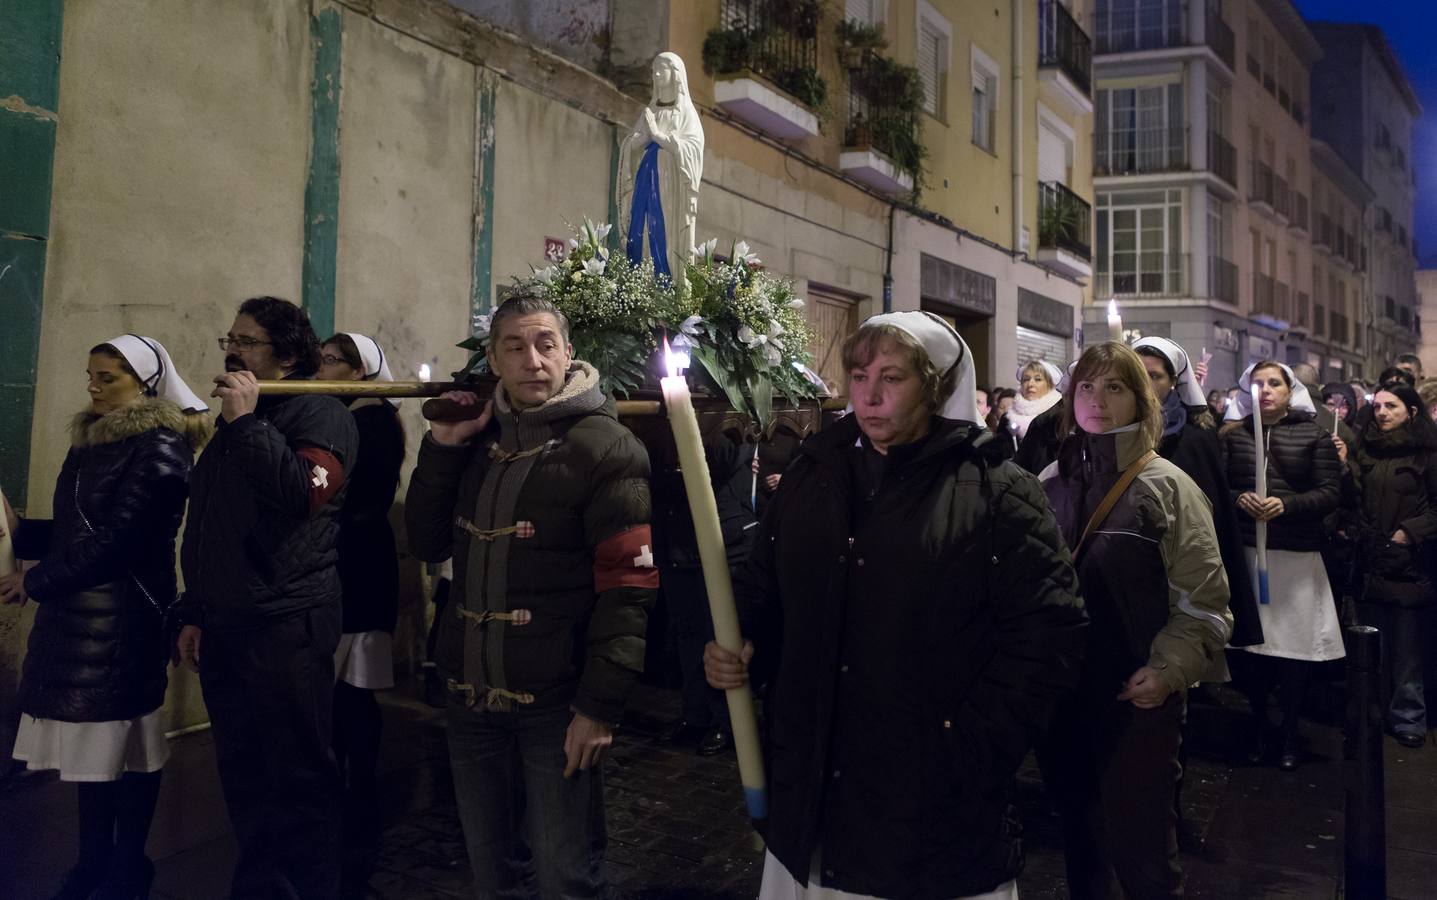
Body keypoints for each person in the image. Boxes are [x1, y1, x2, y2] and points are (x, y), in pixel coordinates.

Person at [705, 311, 1087, 900]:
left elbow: (1048, 636)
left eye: (893, 377)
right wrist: (746, 645)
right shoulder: (814, 475)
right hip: (814, 790)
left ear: (935, 387)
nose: (870, 394)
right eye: (859, 376)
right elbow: (766, 589)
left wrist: (966, 746)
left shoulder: (997, 491)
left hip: (932, 809)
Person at [405, 293, 657, 898]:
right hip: (471, 695)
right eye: (514, 347)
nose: (532, 359)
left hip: (556, 701)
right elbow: (426, 539)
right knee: (493, 872)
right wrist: (443, 446)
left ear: (569, 353)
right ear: (494, 359)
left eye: (546, 344)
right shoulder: (475, 439)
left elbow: (628, 590)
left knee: (563, 872)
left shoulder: (607, 448)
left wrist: (598, 707)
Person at [1, 336, 210, 900]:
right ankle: (93, 862)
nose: (92, 386)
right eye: (90, 375)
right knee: (94, 756)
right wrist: (23, 533)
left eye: (107, 378)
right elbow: (81, 533)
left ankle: (126, 866)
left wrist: (35, 580)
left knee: (130, 748)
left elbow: (123, 542)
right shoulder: (90, 440)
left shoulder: (161, 448)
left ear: (144, 383)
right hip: (81, 616)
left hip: (125, 619)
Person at [175, 296, 359, 898]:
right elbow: (210, 525)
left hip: (286, 622)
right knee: (244, 770)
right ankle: (258, 885)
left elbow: (299, 494)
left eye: (248, 341)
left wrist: (248, 424)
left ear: (284, 353)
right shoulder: (235, 423)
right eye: (231, 336)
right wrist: (196, 610)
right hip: (229, 623)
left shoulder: (321, 415)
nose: (232, 349)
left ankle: (307, 888)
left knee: (297, 773)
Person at [1039, 341, 1232, 900]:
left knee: (1142, 850)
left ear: (1141, 400)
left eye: (1115, 387)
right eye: (1087, 387)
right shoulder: (1050, 480)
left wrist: (1169, 670)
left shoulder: (1167, 486)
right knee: (1080, 840)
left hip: (1135, 697)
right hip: (1066, 693)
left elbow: (1205, 598)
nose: (1098, 400)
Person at [1220, 361, 1343, 771]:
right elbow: (1218, 485)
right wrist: (1240, 498)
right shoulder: (1232, 437)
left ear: (1291, 391)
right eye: (1258, 384)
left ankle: (1290, 731)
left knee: (1293, 651)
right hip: (1249, 553)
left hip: (1295, 555)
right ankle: (1258, 725)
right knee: (1254, 651)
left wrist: (1286, 504)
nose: (1266, 390)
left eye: (1275, 383)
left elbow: (1329, 492)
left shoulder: (1313, 435)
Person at [316, 333, 406, 873]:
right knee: (337, 686)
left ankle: (360, 783)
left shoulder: (369, 421)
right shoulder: (346, 412)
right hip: (346, 555)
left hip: (361, 560)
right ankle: (343, 779)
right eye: (322, 360)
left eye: (333, 362)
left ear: (361, 370)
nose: (323, 368)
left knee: (356, 684)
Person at [1133, 337, 1260, 648]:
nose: (1145, 384)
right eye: (1137, 373)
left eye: (1155, 376)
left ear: (1174, 382)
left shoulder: (1196, 435)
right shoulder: (1106, 428)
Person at [652, 435, 757, 755]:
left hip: (720, 540)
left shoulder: (729, 417)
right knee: (689, 635)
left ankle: (727, 723)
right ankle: (695, 715)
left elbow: (723, 461)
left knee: (721, 638)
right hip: (676, 540)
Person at [1352, 383, 1437, 748]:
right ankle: (1368, 713)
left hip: (1408, 566)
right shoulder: (1365, 449)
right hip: (1369, 562)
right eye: (1378, 406)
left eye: (1392, 406)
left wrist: (1408, 533)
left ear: (1412, 412)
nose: (1382, 412)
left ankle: (1408, 716)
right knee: (1370, 645)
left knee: (1406, 649)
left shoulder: (1427, 455)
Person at [616, 52, 704, 289]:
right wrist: (643, 139)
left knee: (663, 231)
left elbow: (693, 147)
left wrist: (659, 137)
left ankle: (666, 285)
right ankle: (639, 286)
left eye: (661, 69)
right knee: (640, 227)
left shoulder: (686, 113)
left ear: (675, 75)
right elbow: (631, 147)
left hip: (670, 187)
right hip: (646, 176)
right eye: (653, 69)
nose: (655, 74)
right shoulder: (650, 112)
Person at [1005, 360, 1064, 472]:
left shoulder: (1057, 416)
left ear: (1050, 384)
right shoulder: (1007, 417)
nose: (1030, 384)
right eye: (1026, 379)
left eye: (1038, 379)